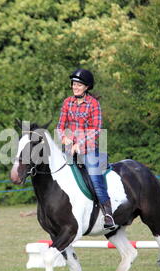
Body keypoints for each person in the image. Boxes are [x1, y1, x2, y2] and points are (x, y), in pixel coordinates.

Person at [56, 68, 115, 230]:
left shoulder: (93, 104)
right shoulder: (67, 102)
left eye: (79, 85)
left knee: (95, 178)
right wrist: (63, 137)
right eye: (74, 84)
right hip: (69, 149)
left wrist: (79, 144)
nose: (75, 87)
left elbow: (96, 130)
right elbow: (60, 126)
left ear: (87, 87)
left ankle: (108, 213)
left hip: (89, 149)